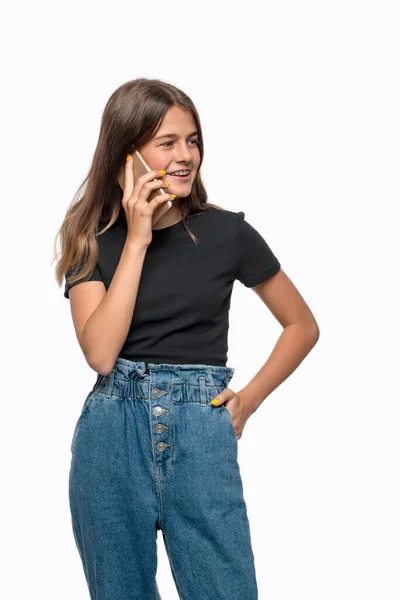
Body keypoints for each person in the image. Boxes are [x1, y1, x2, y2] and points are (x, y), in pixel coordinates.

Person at [54, 78, 320, 600]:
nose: (185, 156)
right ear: (125, 157)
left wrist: (249, 400)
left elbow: (301, 325)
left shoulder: (229, 234)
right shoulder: (93, 242)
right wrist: (137, 237)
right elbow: (101, 353)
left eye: (192, 140)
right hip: (112, 434)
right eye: (167, 142)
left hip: (202, 431)